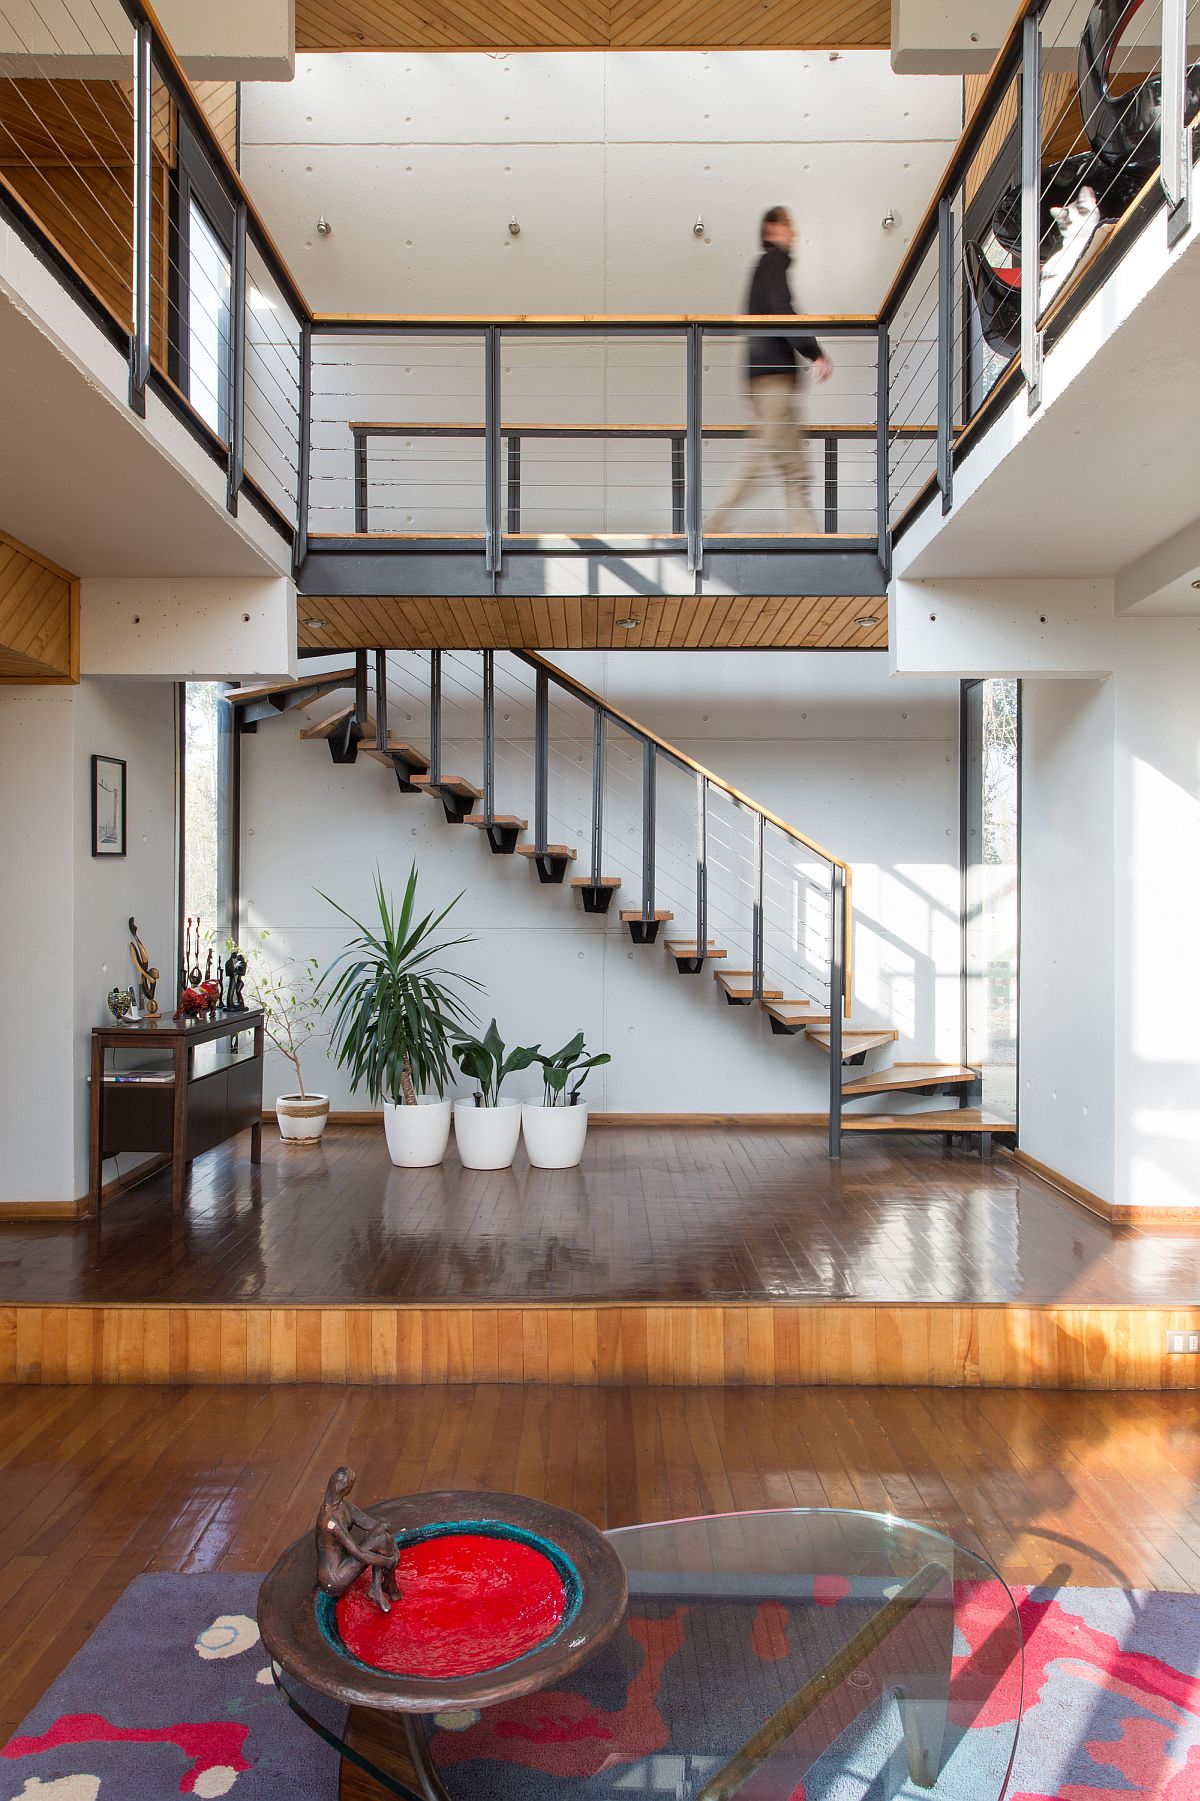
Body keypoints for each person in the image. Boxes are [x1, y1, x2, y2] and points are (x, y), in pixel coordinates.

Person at [707, 206, 833, 535]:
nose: (795, 233)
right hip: (773, 378)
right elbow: (782, 310)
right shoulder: (773, 261)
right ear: (771, 229)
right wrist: (813, 352)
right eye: (789, 226)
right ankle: (714, 527)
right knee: (777, 463)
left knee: (783, 462)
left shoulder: (764, 267)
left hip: (767, 377)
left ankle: (806, 539)